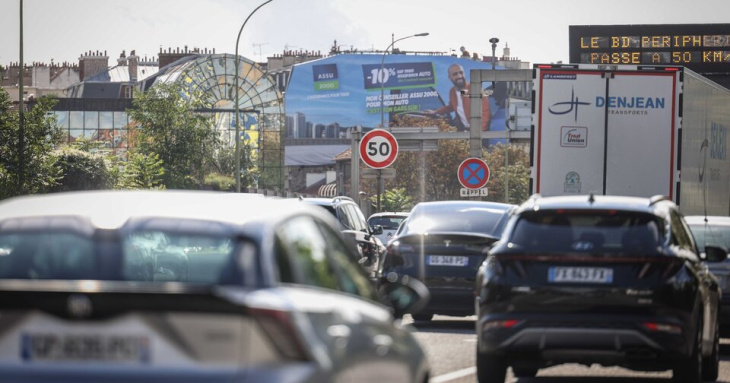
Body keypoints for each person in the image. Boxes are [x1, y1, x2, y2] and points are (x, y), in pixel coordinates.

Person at [424, 63, 491, 132]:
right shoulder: (452, 91)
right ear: (450, 78)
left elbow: (485, 113)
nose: (459, 76)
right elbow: (451, 107)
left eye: (461, 73)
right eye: (455, 74)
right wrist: (435, 112)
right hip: (464, 131)